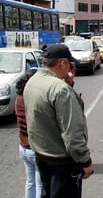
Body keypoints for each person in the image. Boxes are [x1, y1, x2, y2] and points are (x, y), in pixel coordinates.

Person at [24, 44, 94, 198]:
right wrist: (85, 161)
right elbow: (72, 132)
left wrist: (68, 82)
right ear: (62, 64)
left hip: (41, 154)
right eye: (69, 63)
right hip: (61, 161)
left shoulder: (33, 80)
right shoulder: (60, 89)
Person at [15, 69, 42, 198]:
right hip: (34, 149)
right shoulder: (30, 100)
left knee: (30, 181)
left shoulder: (19, 98)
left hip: (23, 147)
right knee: (40, 183)